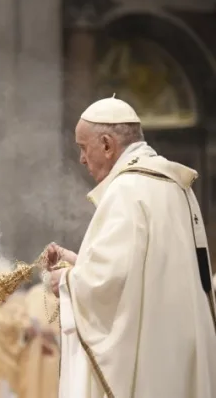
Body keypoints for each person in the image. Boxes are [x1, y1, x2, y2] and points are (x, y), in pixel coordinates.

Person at [45, 96, 216, 397]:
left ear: (108, 145)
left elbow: (107, 286)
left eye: (83, 148)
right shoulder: (175, 184)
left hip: (149, 352)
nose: (82, 159)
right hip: (175, 344)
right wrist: (79, 261)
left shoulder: (127, 189)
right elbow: (137, 269)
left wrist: (64, 281)